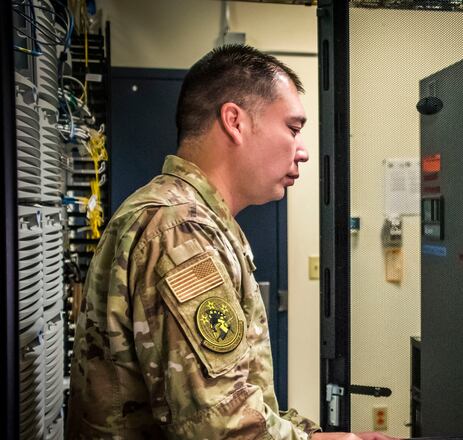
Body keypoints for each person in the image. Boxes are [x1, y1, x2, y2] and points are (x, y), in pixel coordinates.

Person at [66, 45, 394, 440]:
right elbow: (221, 426)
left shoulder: (195, 221)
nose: (303, 151)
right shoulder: (177, 230)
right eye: (292, 128)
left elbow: (236, 401)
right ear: (234, 121)